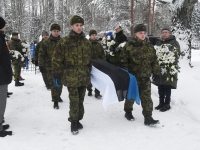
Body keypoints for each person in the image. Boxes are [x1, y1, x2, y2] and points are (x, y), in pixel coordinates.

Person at [52, 15, 92, 135]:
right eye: (76, 25)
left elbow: (90, 60)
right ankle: (73, 122)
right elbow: (57, 59)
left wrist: (90, 72)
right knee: (74, 100)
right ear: (71, 26)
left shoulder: (86, 43)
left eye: (80, 25)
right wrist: (56, 74)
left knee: (81, 100)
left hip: (84, 76)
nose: (79, 28)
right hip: (71, 76)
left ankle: (78, 119)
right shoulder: (64, 42)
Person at [120, 24, 160, 125]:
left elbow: (154, 60)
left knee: (146, 96)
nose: (142, 35)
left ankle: (148, 117)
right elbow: (123, 60)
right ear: (135, 34)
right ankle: (128, 111)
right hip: (133, 77)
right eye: (140, 33)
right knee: (131, 95)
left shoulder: (149, 46)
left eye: (144, 33)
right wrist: (126, 74)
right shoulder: (129, 46)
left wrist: (156, 71)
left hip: (145, 76)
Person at [153, 27, 181, 112]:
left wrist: (169, 62)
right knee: (160, 86)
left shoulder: (174, 42)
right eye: (163, 32)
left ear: (169, 33)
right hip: (159, 67)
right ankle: (161, 103)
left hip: (169, 67)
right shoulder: (159, 42)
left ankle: (167, 104)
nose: (164, 34)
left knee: (167, 86)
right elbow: (155, 52)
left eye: (166, 32)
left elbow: (177, 54)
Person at [38, 24, 63, 109]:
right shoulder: (46, 42)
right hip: (50, 66)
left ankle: (58, 96)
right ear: (51, 32)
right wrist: (41, 65)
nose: (56, 33)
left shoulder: (63, 41)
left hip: (61, 66)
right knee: (53, 84)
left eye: (57, 31)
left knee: (60, 83)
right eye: (54, 31)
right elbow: (41, 54)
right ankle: (55, 101)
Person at [0, 16, 13, 137]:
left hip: (2, 75)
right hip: (1, 76)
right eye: (4, 24)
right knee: (1, 102)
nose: (5, 26)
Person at [87, 29, 106, 98]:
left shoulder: (98, 45)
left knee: (98, 79)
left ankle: (97, 93)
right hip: (89, 64)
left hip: (98, 64)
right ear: (90, 36)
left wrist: (103, 62)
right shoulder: (87, 44)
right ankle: (89, 90)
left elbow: (102, 54)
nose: (94, 36)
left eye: (95, 35)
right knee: (89, 79)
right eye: (93, 35)